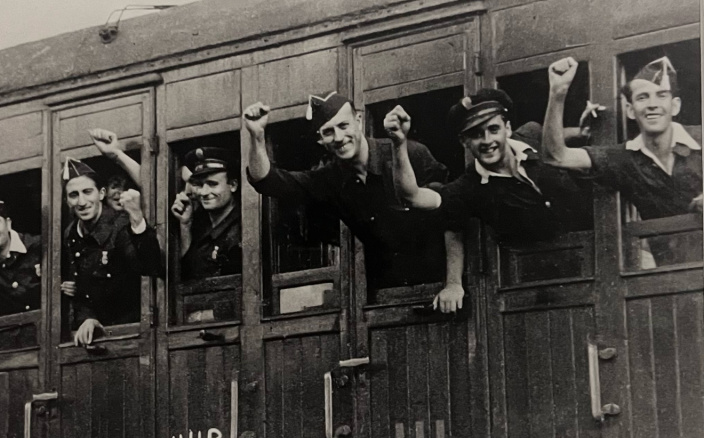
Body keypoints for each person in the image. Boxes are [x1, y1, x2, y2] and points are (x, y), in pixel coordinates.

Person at [244, 92, 465, 312]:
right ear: (321, 139)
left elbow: (454, 216)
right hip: (389, 296)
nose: (339, 137)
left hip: (447, 290)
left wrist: (454, 283)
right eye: (328, 132)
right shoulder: (329, 179)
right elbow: (267, 181)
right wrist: (257, 137)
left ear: (358, 121)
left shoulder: (410, 154)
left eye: (343, 125)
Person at [543, 56, 702, 265]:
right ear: (630, 110)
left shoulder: (699, 139)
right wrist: (558, 92)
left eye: (661, 95)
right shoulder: (625, 158)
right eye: (643, 97)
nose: (652, 105)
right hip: (674, 274)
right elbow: (556, 156)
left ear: (675, 106)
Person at [388, 88, 594, 244]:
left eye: (493, 129)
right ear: (464, 142)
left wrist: (583, 132)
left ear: (508, 128)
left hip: (599, 239)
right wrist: (399, 143)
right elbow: (412, 196)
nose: (487, 140)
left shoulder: (533, 134)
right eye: (475, 134)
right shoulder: (468, 188)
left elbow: (562, 139)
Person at [60, 157, 163, 345]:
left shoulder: (120, 225)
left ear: (101, 193)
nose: (81, 201)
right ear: (67, 200)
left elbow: (150, 267)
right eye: (73, 195)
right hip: (96, 331)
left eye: (87, 192)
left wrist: (138, 220)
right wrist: (87, 319)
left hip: (131, 332)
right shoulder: (71, 234)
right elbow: (82, 290)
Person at [170, 147, 242, 279]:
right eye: (200, 185)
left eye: (212, 184)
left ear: (233, 185)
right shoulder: (200, 225)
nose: (203, 192)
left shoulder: (242, 229)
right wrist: (185, 224)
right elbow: (187, 275)